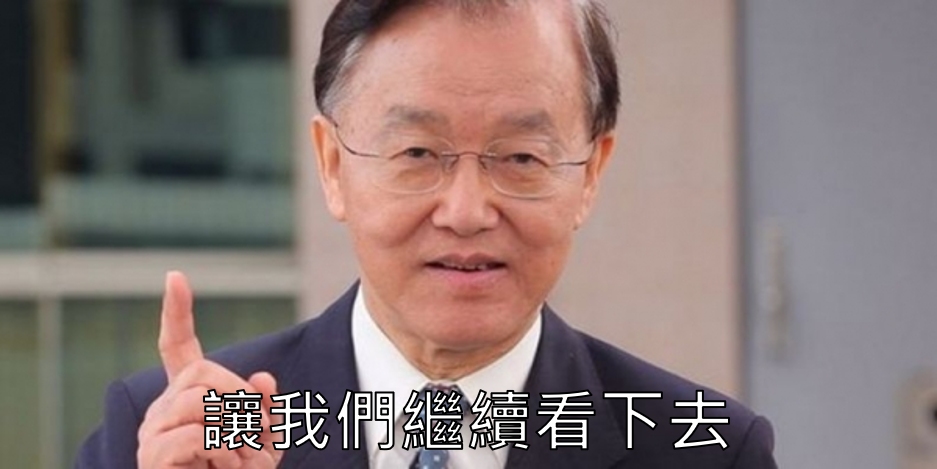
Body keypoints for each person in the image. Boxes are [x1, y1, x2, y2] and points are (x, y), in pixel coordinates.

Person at [76, 0, 777, 467]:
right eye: (417, 153)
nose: (466, 211)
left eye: (520, 158)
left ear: (590, 173)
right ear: (331, 166)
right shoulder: (177, 429)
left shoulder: (705, 449)